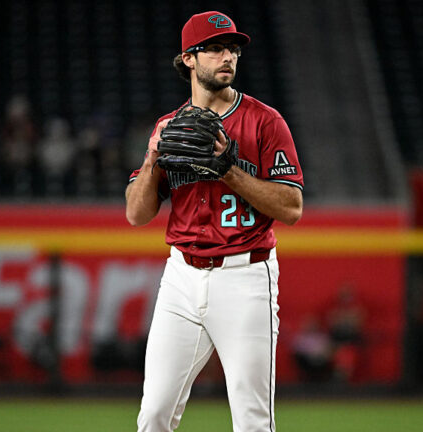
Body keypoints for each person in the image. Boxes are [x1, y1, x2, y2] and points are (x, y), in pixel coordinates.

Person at [125, 11, 303, 432]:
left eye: (233, 49)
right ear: (189, 58)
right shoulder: (170, 127)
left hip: (245, 276)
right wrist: (152, 160)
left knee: (252, 421)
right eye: (215, 48)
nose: (228, 57)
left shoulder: (264, 121)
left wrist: (229, 171)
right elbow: (137, 214)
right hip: (181, 278)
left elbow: (291, 208)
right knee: (153, 415)